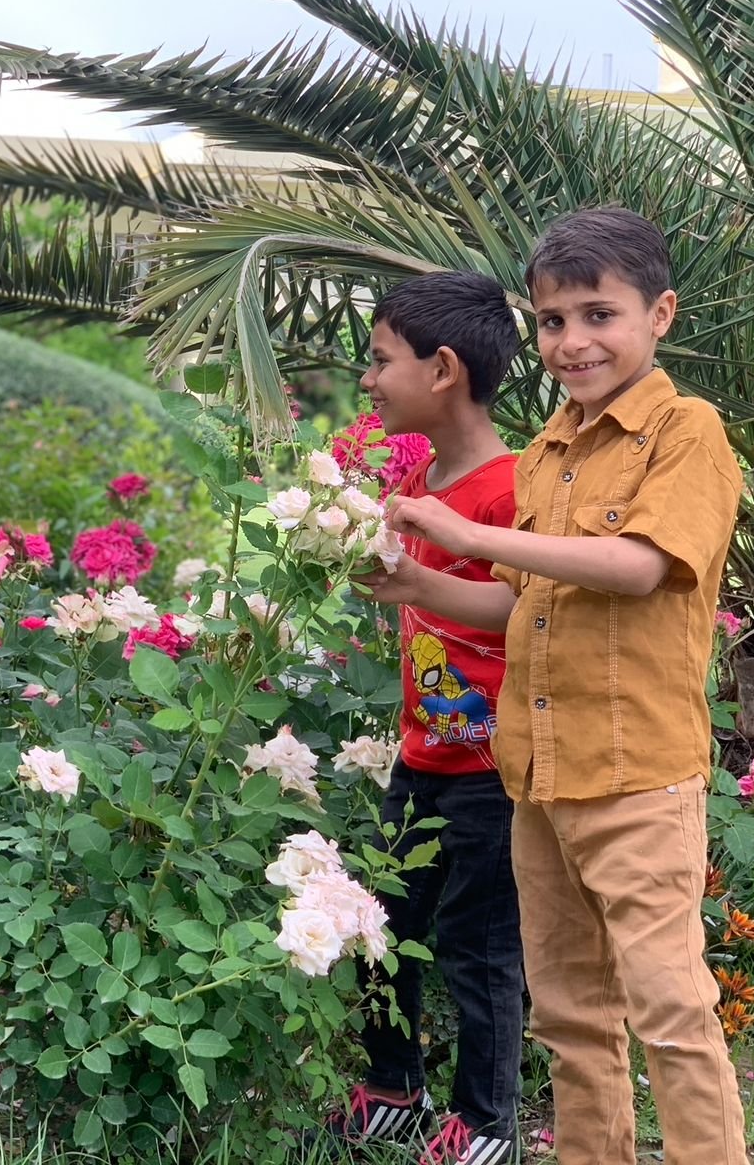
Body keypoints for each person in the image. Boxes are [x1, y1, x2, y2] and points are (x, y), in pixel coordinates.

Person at [383, 208, 749, 1164]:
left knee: (669, 1010)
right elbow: (526, 609)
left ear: (659, 314)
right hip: (537, 780)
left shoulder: (686, 430)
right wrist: (416, 580)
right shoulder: (546, 453)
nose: (573, 342)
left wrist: (468, 536)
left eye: (600, 315)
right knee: (570, 1016)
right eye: (553, 321)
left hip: (637, 778)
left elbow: (634, 567)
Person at [337, 271, 525, 1165]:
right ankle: (393, 1090)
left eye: (380, 361)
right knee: (382, 926)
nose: (367, 380)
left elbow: (525, 616)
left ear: (443, 367)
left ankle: (486, 1127)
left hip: (491, 770)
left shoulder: (506, 492)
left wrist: (416, 584)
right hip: (421, 756)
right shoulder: (415, 474)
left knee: (478, 951)